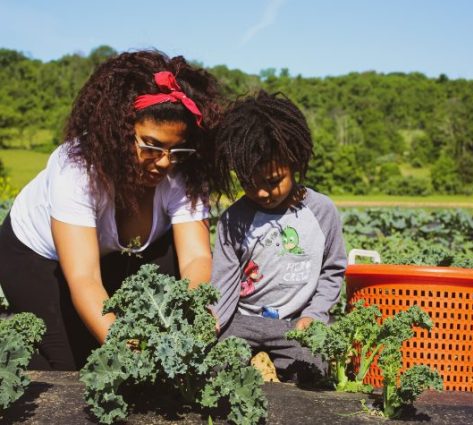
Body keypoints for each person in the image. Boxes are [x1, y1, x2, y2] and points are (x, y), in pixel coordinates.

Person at [0, 50, 225, 370]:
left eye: (175, 149)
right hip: (35, 257)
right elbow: (84, 278)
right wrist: (128, 351)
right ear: (120, 133)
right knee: (73, 365)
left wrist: (190, 310)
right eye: (151, 146)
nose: (164, 162)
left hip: (115, 254)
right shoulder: (76, 170)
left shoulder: (183, 170)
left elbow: (196, 257)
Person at [210, 90, 347, 382]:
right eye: (248, 183)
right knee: (216, 369)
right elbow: (222, 284)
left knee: (314, 371)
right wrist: (212, 322)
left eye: (272, 182)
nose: (261, 193)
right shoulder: (233, 220)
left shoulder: (322, 212)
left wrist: (316, 315)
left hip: (295, 323)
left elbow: (333, 270)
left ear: (294, 162)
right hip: (240, 322)